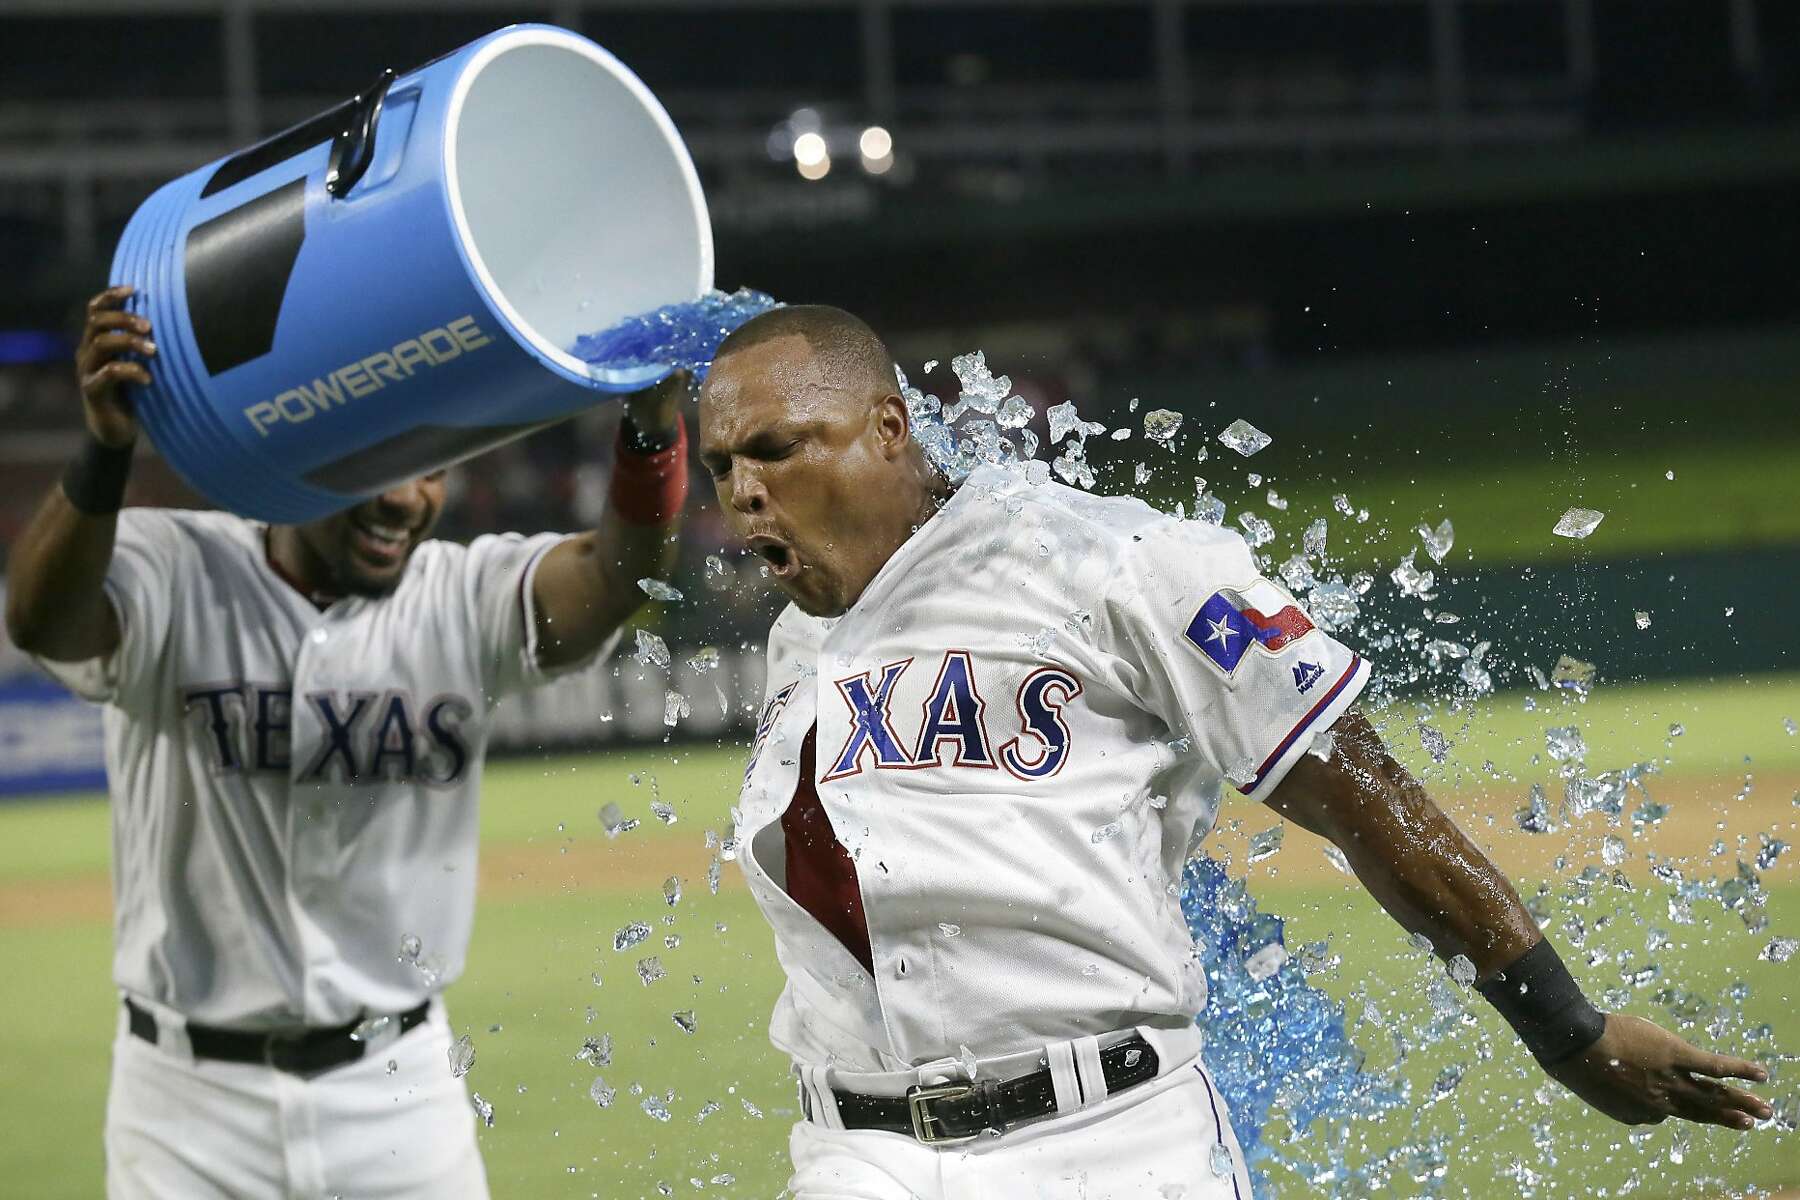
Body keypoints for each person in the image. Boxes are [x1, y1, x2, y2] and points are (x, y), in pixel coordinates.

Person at [694, 305, 1774, 1199]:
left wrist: (1568, 1029)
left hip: (1108, 1147)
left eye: (775, 449)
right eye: (723, 464)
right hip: (855, 1155)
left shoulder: (1114, 562)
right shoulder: (802, 645)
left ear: (889, 429)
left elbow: (1365, 796)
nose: (742, 492)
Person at [3, 286, 691, 1199]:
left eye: (432, 469)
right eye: (377, 468)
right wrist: (104, 452)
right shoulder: (175, 568)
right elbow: (42, 619)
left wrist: (650, 434)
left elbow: (618, 579)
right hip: (185, 1105)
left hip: (399, 1092)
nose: (407, 499)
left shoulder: (462, 592)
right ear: (295, 461)